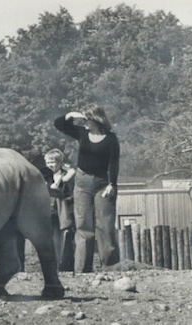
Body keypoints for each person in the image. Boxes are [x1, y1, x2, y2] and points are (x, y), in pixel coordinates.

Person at [54, 104, 120, 273]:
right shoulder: (82, 133)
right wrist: (71, 114)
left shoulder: (111, 139)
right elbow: (59, 124)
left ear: (96, 119)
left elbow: (113, 163)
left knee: (105, 224)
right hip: (82, 182)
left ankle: (111, 267)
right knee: (83, 225)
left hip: (103, 184)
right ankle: (82, 269)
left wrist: (112, 184)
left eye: (86, 119)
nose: (84, 122)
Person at [41, 148, 75, 272]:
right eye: (48, 162)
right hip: (50, 212)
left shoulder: (67, 177)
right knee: (51, 239)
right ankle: (52, 266)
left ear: (60, 163)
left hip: (64, 211)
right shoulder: (44, 177)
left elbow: (70, 192)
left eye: (53, 162)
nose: (50, 165)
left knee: (65, 238)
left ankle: (66, 265)